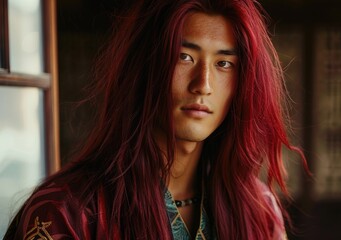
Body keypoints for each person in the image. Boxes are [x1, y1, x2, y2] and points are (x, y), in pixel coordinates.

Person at [5, 0, 304, 239]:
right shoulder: (66, 211)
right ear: (144, 67)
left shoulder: (259, 210)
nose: (204, 84)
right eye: (184, 57)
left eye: (224, 64)